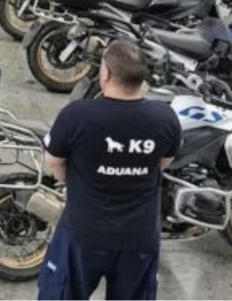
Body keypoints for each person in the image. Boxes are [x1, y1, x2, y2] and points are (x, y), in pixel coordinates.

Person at [39, 39, 182, 301]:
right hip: (139, 237)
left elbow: (53, 162)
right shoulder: (165, 118)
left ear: (105, 73)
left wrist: (81, 181)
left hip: (84, 233)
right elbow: (163, 163)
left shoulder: (76, 115)